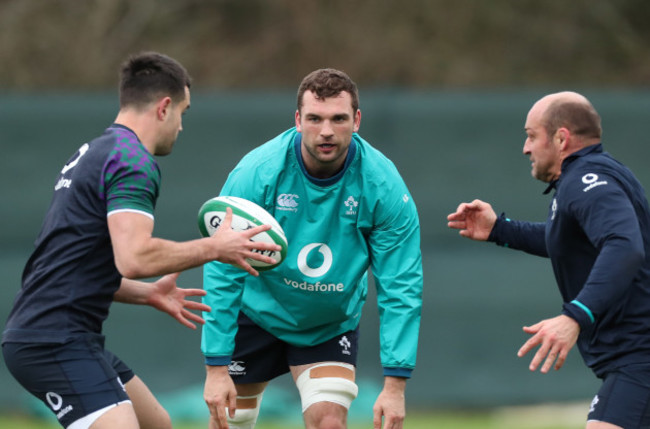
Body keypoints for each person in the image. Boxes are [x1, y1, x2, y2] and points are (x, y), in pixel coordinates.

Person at [2, 51, 281, 429]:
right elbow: (134, 257)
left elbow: (77, 266)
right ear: (165, 107)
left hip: (63, 335)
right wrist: (216, 248)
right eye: (183, 112)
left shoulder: (96, 152)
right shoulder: (132, 162)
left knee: (158, 424)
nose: (181, 126)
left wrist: (148, 293)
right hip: (52, 341)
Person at [201, 68, 423, 429]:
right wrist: (215, 367)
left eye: (339, 119)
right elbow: (223, 267)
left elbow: (401, 284)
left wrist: (395, 386)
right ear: (297, 120)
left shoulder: (382, 185)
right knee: (231, 420)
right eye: (315, 119)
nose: (326, 131)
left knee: (330, 422)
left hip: (327, 324)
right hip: (257, 313)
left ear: (358, 120)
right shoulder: (257, 173)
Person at [447, 91, 650, 429]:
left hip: (640, 356)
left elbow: (624, 245)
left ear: (561, 138)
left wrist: (575, 316)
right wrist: (499, 229)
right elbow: (570, 242)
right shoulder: (589, 176)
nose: (526, 148)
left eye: (531, 136)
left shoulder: (586, 181)